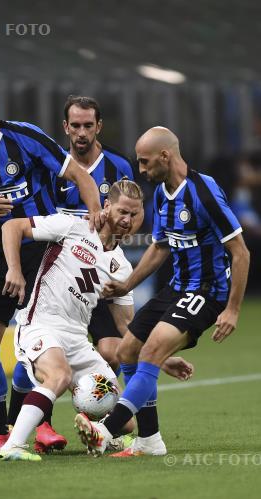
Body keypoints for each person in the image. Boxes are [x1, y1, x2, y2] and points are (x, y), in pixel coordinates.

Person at [74, 126, 250, 457]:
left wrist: (233, 309)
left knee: (152, 350)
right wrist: (126, 285)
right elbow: (159, 247)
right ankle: (149, 440)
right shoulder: (161, 195)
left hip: (208, 291)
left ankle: (105, 431)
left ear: (165, 156)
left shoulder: (204, 192)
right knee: (127, 351)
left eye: (144, 162)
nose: (140, 169)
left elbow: (241, 252)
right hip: (176, 288)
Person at [0, 84, 104, 458]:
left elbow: (80, 176)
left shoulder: (26, 137)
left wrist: (95, 217)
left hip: (41, 248)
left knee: (42, 336)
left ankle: (39, 423)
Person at [0, 179, 193, 461]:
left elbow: (127, 327)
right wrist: (14, 269)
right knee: (58, 375)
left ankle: (96, 432)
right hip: (40, 323)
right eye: (122, 211)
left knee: (125, 420)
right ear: (107, 206)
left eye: (135, 215)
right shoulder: (72, 227)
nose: (127, 220)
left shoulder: (122, 267)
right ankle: (11, 446)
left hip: (77, 340)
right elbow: (11, 227)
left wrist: (161, 357)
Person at [55, 95, 137, 372]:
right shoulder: (51, 165)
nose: (81, 133)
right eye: (75, 125)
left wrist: (119, 235)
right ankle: (30, 416)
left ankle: (100, 412)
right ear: (65, 127)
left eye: (88, 125)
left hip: (100, 273)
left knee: (113, 352)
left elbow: (135, 214)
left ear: (99, 126)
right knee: (47, 354)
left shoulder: (119, 167)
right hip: (58, 277)